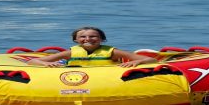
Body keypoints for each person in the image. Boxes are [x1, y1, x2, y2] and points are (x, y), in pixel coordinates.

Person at [27, 27, 158, 68]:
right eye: (83, 37)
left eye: (93, 36)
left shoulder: (112, 52)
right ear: (76, 40)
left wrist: (137, 61)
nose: (88, 39)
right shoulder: (70, 53)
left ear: (102, 39)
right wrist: (46, 65)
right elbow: (32, 61)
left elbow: (151, 60)